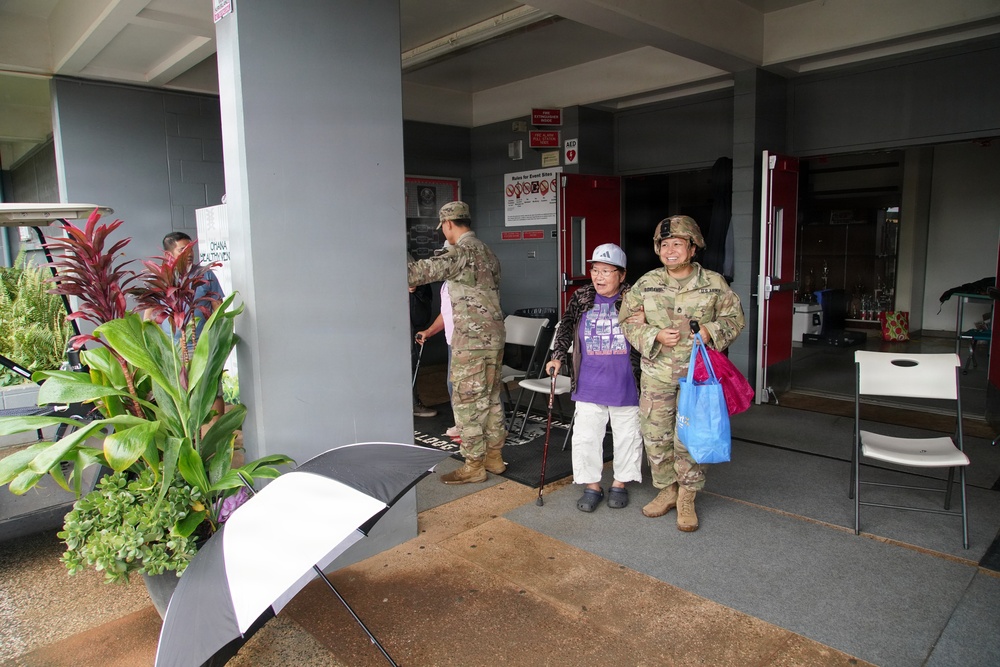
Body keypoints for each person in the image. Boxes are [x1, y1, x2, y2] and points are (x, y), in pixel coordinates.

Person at [619, 216, 745, 532]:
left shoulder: (715, 284)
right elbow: (627, 322)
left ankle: (687, 496)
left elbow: (734, 319)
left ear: (692, 248)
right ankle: (667, 490)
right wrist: (654, 336)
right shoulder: (645, 283)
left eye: (677, 244)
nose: (670, 250)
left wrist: (710, 331)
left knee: (691, 437)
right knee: (655, 434)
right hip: (657, 374)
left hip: (698, 377)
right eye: (664, 245)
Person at [408, 201, 506, 484]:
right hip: (494, 338)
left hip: (471, 341)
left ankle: (473, 465)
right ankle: (494, 458)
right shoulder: (489, 253)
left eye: (444, 228)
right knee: (491, 399)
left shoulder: (459, 252)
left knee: (466, 403)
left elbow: (417, 273)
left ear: (449, 224)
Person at [545, 243, 643, 512]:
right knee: (586, 436)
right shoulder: (582, 296)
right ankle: (592, 486)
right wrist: (558, 356)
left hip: (626, 382)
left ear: (622, 275)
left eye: (606, 271)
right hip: (589, 381)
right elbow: (565, 326)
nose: (598, 277)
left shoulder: (635, 298)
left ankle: (620, 483)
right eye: (595, 270)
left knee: (628, 436)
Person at [160, 232, 227, 421]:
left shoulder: (204, 273)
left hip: (202, 345)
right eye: (183, 249)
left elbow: (217, 307)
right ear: (169, 254)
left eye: (191, 249)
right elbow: (151, 312)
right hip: (172, 347)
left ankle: (217, 436)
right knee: (178, 395)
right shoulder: (163, 277)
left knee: (212, 390)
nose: (189, 253)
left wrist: (219, 338)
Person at [408, 252, 437, 418]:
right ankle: (410, 404)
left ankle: (412, 403)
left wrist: (415, 287)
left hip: (408, 324)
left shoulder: (406, 257)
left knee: (411, 362)